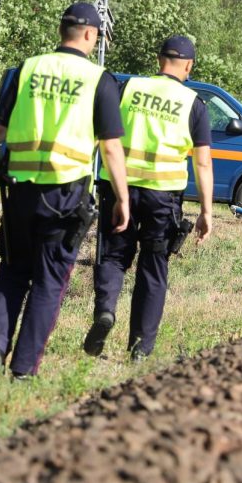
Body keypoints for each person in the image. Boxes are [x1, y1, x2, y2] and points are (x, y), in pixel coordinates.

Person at [0, 2, 130, 378]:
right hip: (65, 197)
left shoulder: (28, 69)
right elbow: (111, 148)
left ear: (62, 31)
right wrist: (122, 198)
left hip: (20, 191)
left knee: (12, 271)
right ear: (90, 35)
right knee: (49, 282)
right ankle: (23, 369)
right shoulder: (98, 80)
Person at [85, 34, 214, 361]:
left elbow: (103, 135)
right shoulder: (193, 105)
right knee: (153, 268)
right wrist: (206, 212)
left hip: (119, 190)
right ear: (188, 65)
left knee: (113, 256)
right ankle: (140, 348)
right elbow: (202, 162)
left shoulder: (127, 89)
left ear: (158, 60)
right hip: (163, 198)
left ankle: (105, 311)